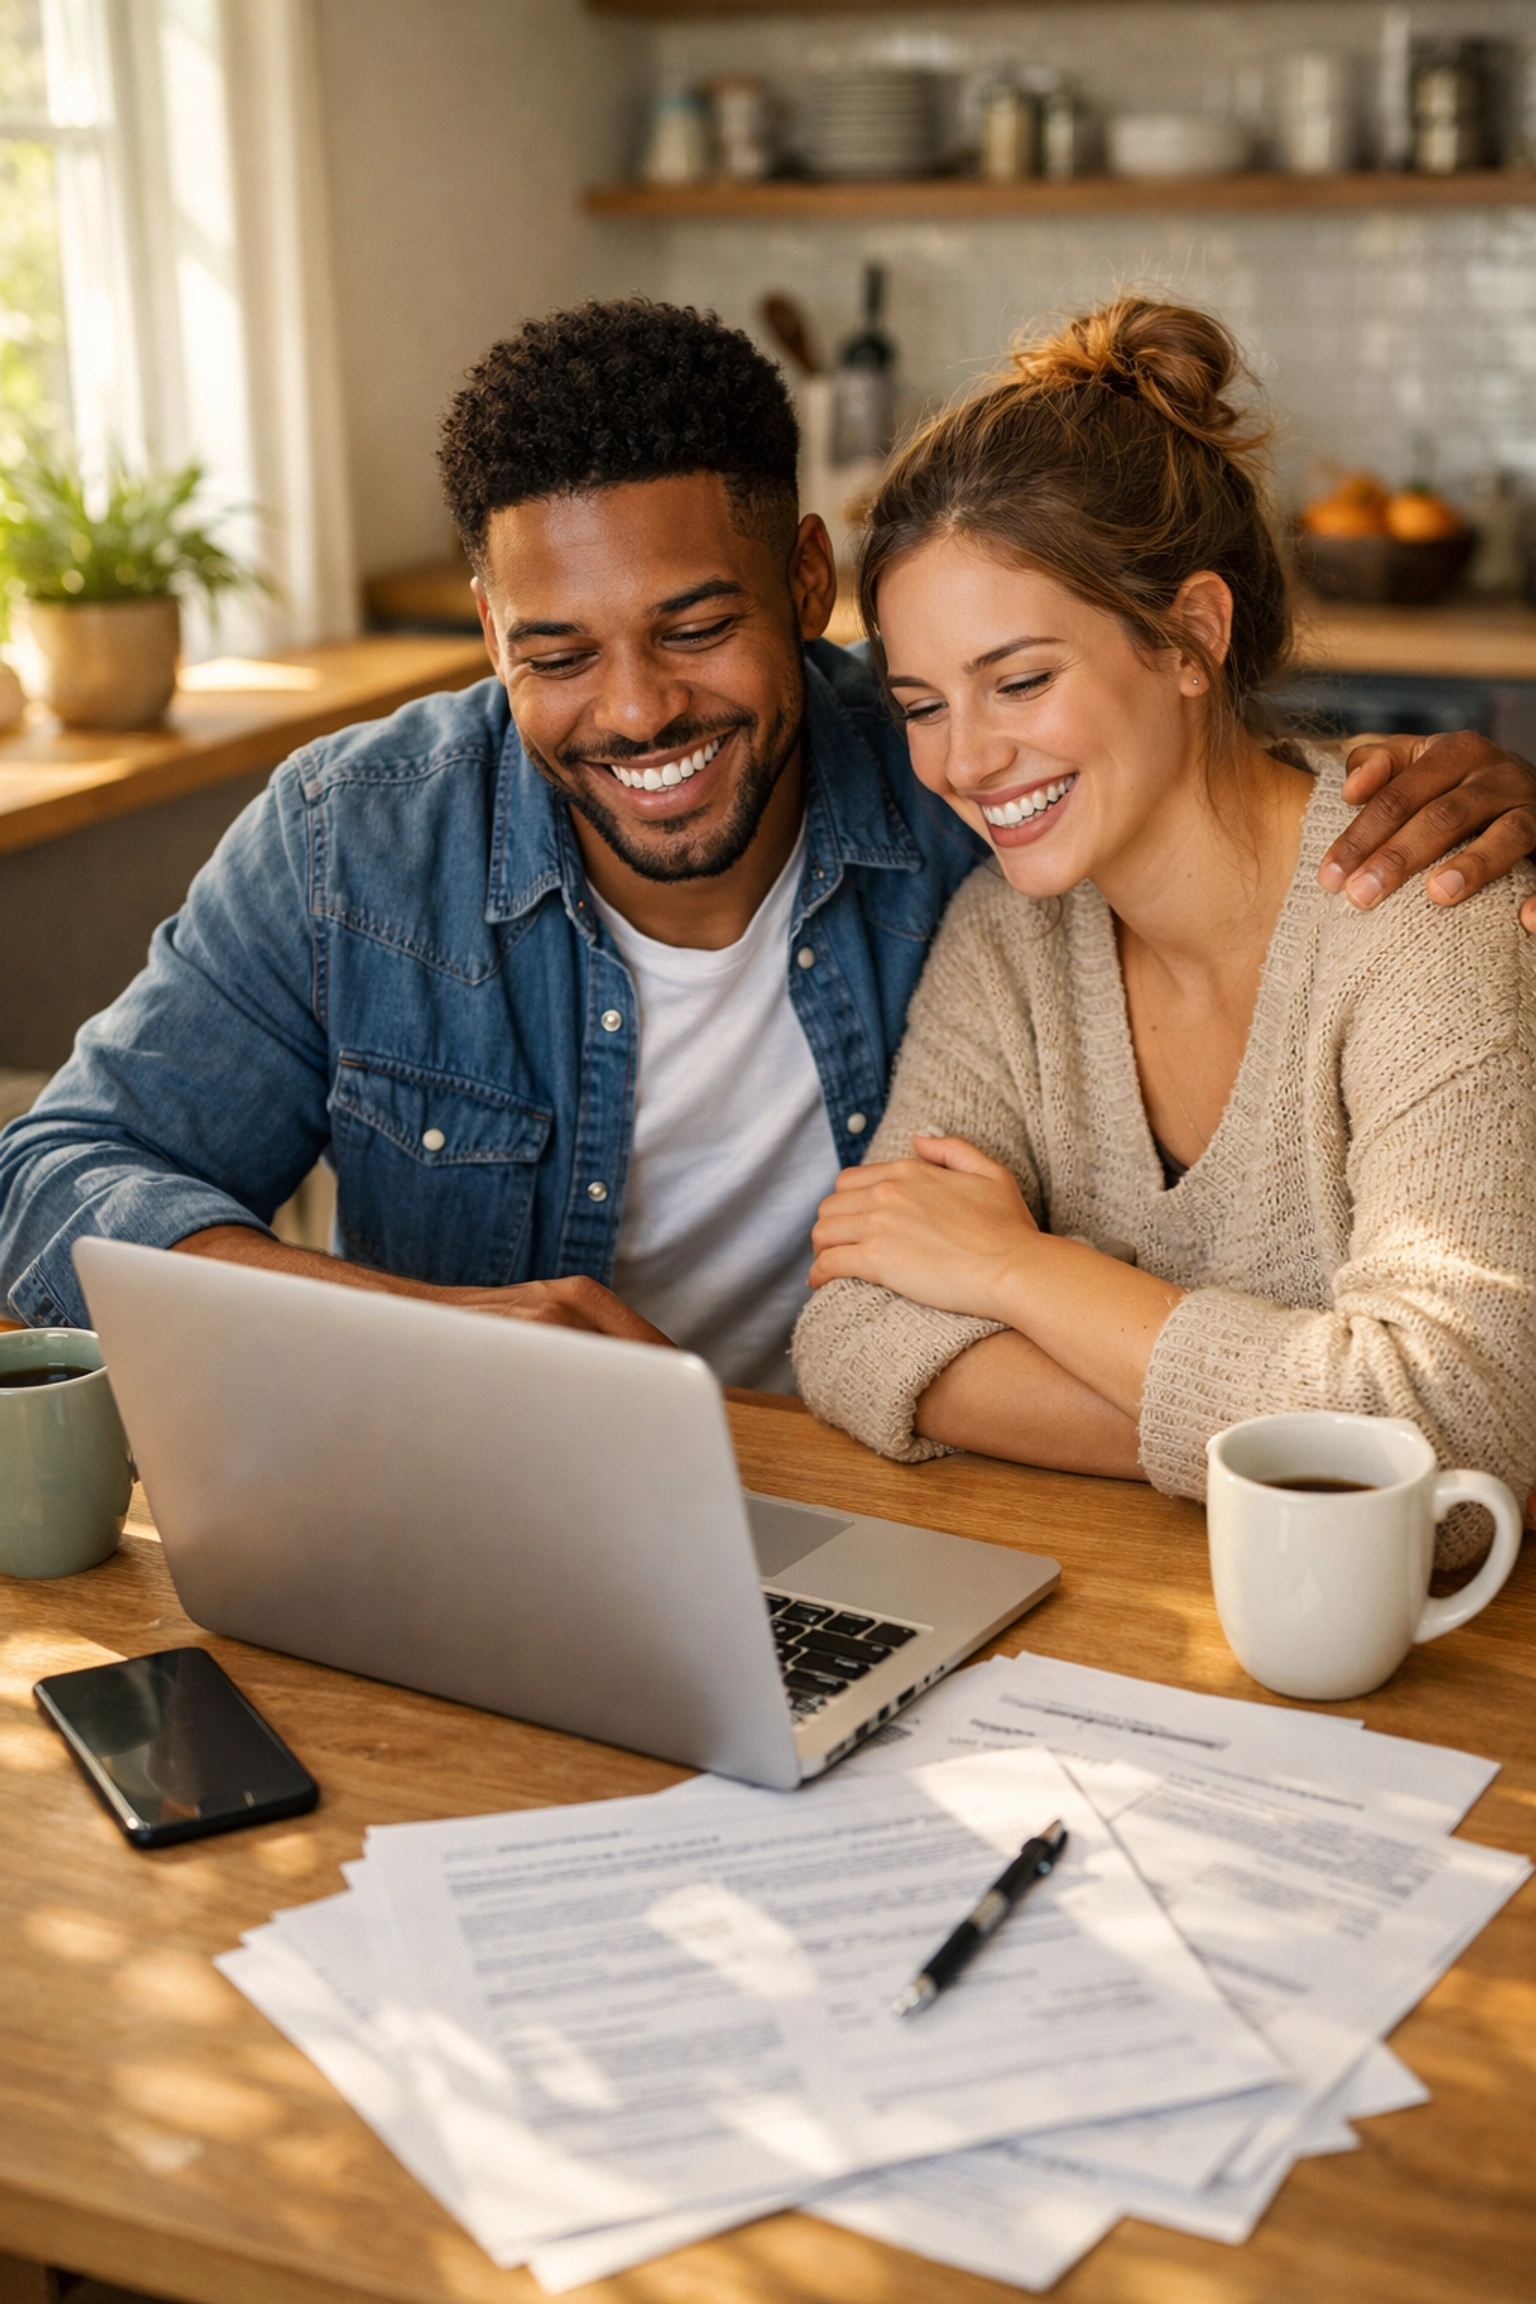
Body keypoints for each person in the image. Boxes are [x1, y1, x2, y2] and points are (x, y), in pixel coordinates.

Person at [0, 301, 1532, 1392]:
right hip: (530, 1516)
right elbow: (53, 1185)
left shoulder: (966, 803)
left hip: (915, 1509)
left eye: (697, 625)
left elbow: (1200, 791)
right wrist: (423, 1331)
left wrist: (1486, 814)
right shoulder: (362, 841)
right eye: (555, 655)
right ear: (487, 633)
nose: (638, 711)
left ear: (808, 581)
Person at [793, 298, 1536, 1562]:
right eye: (921, 705)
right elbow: (852, 1334)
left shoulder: (1424, 915)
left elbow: (1457, 1439)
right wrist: (1295, 1429)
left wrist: (1017, 1276)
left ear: (1192, 635)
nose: (965, 761)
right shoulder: (1005, 944)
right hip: (1130, 1633)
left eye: (1020, 681)